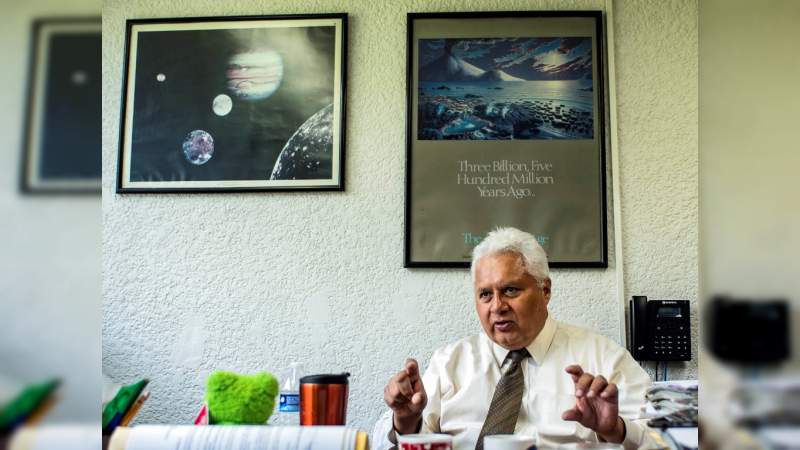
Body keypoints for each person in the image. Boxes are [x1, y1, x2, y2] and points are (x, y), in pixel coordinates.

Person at [373, 227, 652, 450]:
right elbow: (382, 443)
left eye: (510, 290)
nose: (497, 306)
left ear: (545, 290)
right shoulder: (449, 362)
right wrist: (406, 422)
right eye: (485, 294)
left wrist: (616, 429)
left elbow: (668, 440)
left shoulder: (603, 358)